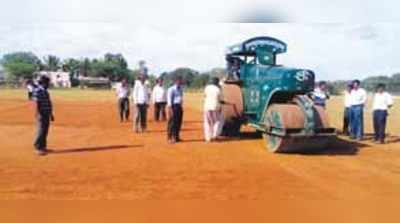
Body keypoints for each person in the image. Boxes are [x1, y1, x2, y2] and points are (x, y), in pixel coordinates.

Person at [32, 76, 55, 156]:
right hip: (41, 113)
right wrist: (37, 113)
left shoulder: (45, 91)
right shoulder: (37, 91)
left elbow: (49, 103)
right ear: (43, 83)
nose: (49, 84)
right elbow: (36, 103)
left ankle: (43, 147)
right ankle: (38, 147)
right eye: (47, 82)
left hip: (46, 113)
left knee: (45, 130)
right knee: (41, 130)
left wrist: (51, 114)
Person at [203, 77, 226, 142]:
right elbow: (221, 100)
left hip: (207, 107)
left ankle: (208, 138)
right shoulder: (218, 89)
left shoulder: (207, 88)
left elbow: (205, 96)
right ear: (217, 82)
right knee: (217, 121)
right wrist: (224, 102)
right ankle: (215, 136)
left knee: (207, 122)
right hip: (215, 107)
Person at [167, 76, 184, 144]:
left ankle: (176, 136)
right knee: (172, 123)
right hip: (173, 106)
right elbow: (169, 99)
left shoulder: (181, 89)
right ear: (175, 81)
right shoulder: (171, 89)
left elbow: (181, 98)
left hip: (179, 107)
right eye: (179, 81)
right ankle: (170, 137)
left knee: (178, 122)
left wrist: (181, 106)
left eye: (181, 81)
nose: (180, 82)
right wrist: (170, 109)